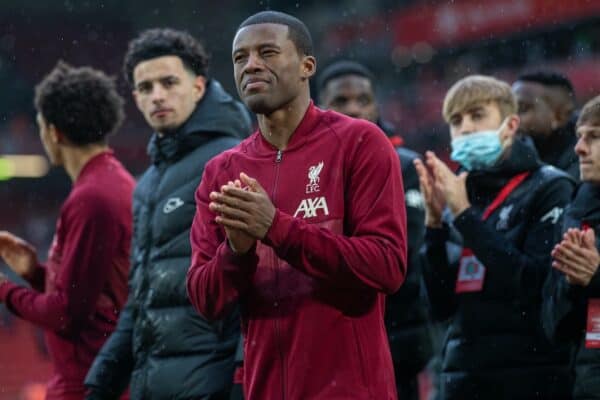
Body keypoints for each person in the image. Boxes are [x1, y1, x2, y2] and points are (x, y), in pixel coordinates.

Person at [186, 11, 407, 400]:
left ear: (307, 66)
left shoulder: (360, 143)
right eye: (240, 58)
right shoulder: (221, 172)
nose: (251, 65)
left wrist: (276, 228)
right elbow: (206, 301)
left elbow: (386, 266)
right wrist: (236, 252)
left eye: (267, 52)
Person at [84, 28, 252, 400]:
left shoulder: (234, 160)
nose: (157, 95)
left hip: (214, 383)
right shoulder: (146, 185)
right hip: (157, 385)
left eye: (168, 82)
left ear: (198, 87)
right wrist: (102, 380)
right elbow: (143, 300)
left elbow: (257, 280)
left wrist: (242, 378)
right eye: (145, 88)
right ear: (135, 98)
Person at [415, 75, 575, 399]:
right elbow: (439, 308)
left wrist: (465, 218)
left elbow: (535, 286)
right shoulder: (456, 195)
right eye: (456, 121)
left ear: (511, 124)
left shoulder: (550, 187)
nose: (467, 129)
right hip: (464, 379)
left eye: (477, 115)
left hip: (532, 378)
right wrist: (434, 228)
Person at [0, 61, 134, 400]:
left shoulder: (93, 196)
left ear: (53, 132)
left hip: (87, 382)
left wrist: (4, 290)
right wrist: (35, 274)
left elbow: (65, 315)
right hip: (99, 376)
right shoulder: (109, 182)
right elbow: (88, 296)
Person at [318, 59, 432, 400]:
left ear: (376, 105)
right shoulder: (310, 168)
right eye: (341, 101)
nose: (354, 108)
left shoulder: (406, 165)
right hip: (330, 335)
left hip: (397, 333)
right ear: (321, 106)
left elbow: (406, 254)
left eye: (362, 100)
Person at [542, 95, 600, 399]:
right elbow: (552, 326)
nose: (579, 148)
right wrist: (574, 284)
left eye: (594, 137)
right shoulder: (574, 211)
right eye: (579, 136)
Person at [512, 70, 579, 181]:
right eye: (509, 109)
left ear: (560, 116)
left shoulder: (586, 164)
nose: (511, 118)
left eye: (522, 109)